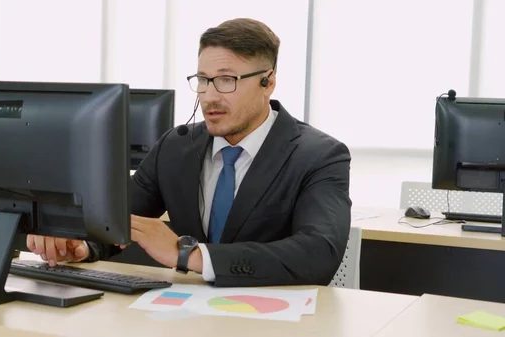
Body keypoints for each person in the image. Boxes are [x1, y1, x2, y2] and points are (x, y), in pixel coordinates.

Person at [27, 18, 352, 287]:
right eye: (203, 80)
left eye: (226, 80)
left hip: (273, 318)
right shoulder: (176, 146)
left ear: (268, 82)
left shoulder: (319, 156)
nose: (209, 96)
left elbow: (318, 253)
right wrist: (82, 245)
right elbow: (121, 218)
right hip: (188, 312)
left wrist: (189, 255)